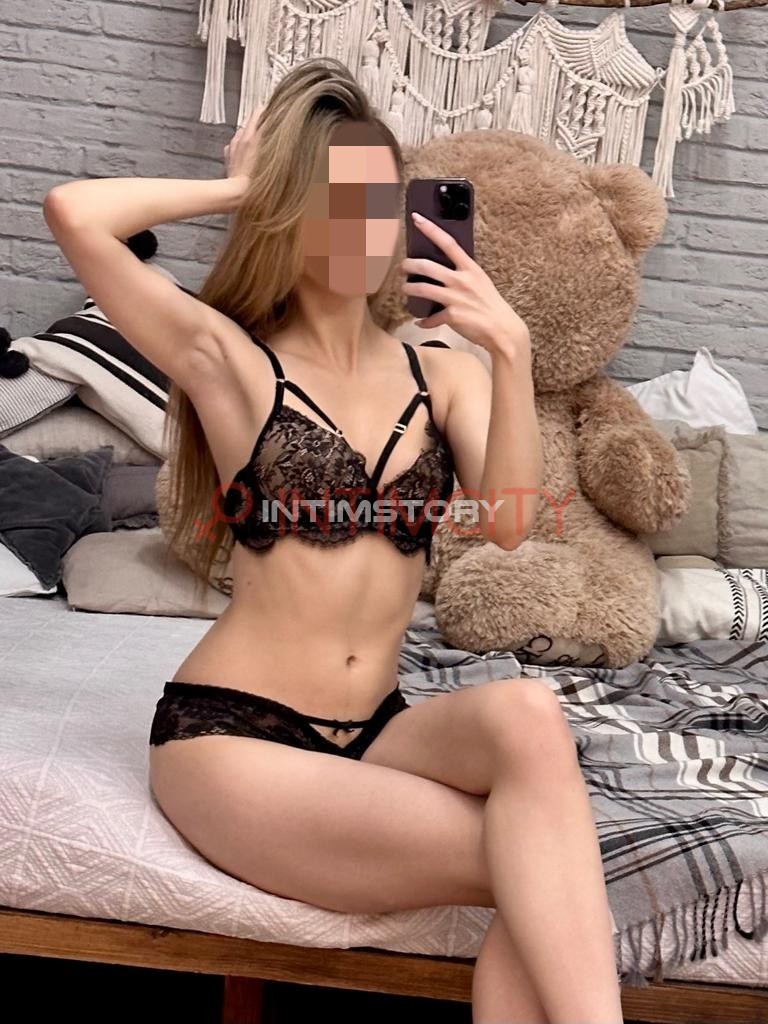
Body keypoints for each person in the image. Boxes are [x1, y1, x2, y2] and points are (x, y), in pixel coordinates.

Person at [43, 56, 624, 1024]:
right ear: (292, 214)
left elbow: (514, 520)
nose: (363, 227)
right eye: (333, 201)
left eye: (378, 202)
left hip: (380, 729)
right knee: (544, 864)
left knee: (527, 717)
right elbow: (75, 211)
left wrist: (511, 349)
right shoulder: (231, 360)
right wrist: (245, 184)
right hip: (236, 737)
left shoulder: (445, 371)